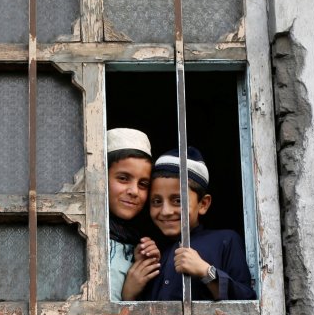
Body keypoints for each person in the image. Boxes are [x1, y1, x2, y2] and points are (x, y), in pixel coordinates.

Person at [123, 147, 256, 301]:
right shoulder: (154, 252)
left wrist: (206, 271)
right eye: (157, 201)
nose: (165, 211)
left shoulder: (225, 241)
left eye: (178, 200)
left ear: (203, 204)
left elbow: (246, 301)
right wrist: (130, 293)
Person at [106, 128, 160, 302]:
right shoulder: (73, 238)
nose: (134, 191)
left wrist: (141, 266)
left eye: (143, 184)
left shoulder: (139, 243)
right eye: (123, 178)